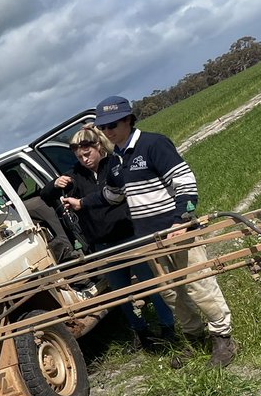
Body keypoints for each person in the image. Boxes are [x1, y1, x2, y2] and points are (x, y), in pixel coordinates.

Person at [92, 95, 236, 367]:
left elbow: (185, 182)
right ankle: (194, 339)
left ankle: (223, 339)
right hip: (149, 241)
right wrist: (80, 202)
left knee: (198, 285)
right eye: (103, 127)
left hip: (177, 231)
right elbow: (112, 195)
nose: (108, 131)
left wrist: (181, 220)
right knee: (171, 293)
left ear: (128, 120)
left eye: (113, 124)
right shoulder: (116, 161)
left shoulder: (153, 144)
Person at [53, 127, 175, 350]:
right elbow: (45, 195)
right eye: (79, 156)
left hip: (130, 236)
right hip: (103, 245)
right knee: (122, 294)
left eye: (87, 153)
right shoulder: (75, 175)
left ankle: (169, 327)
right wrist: (55, 184)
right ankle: (141, 332)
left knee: (152, 285)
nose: (84, 159)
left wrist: (85, 202)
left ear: (98, 146)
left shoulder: (115, 165)